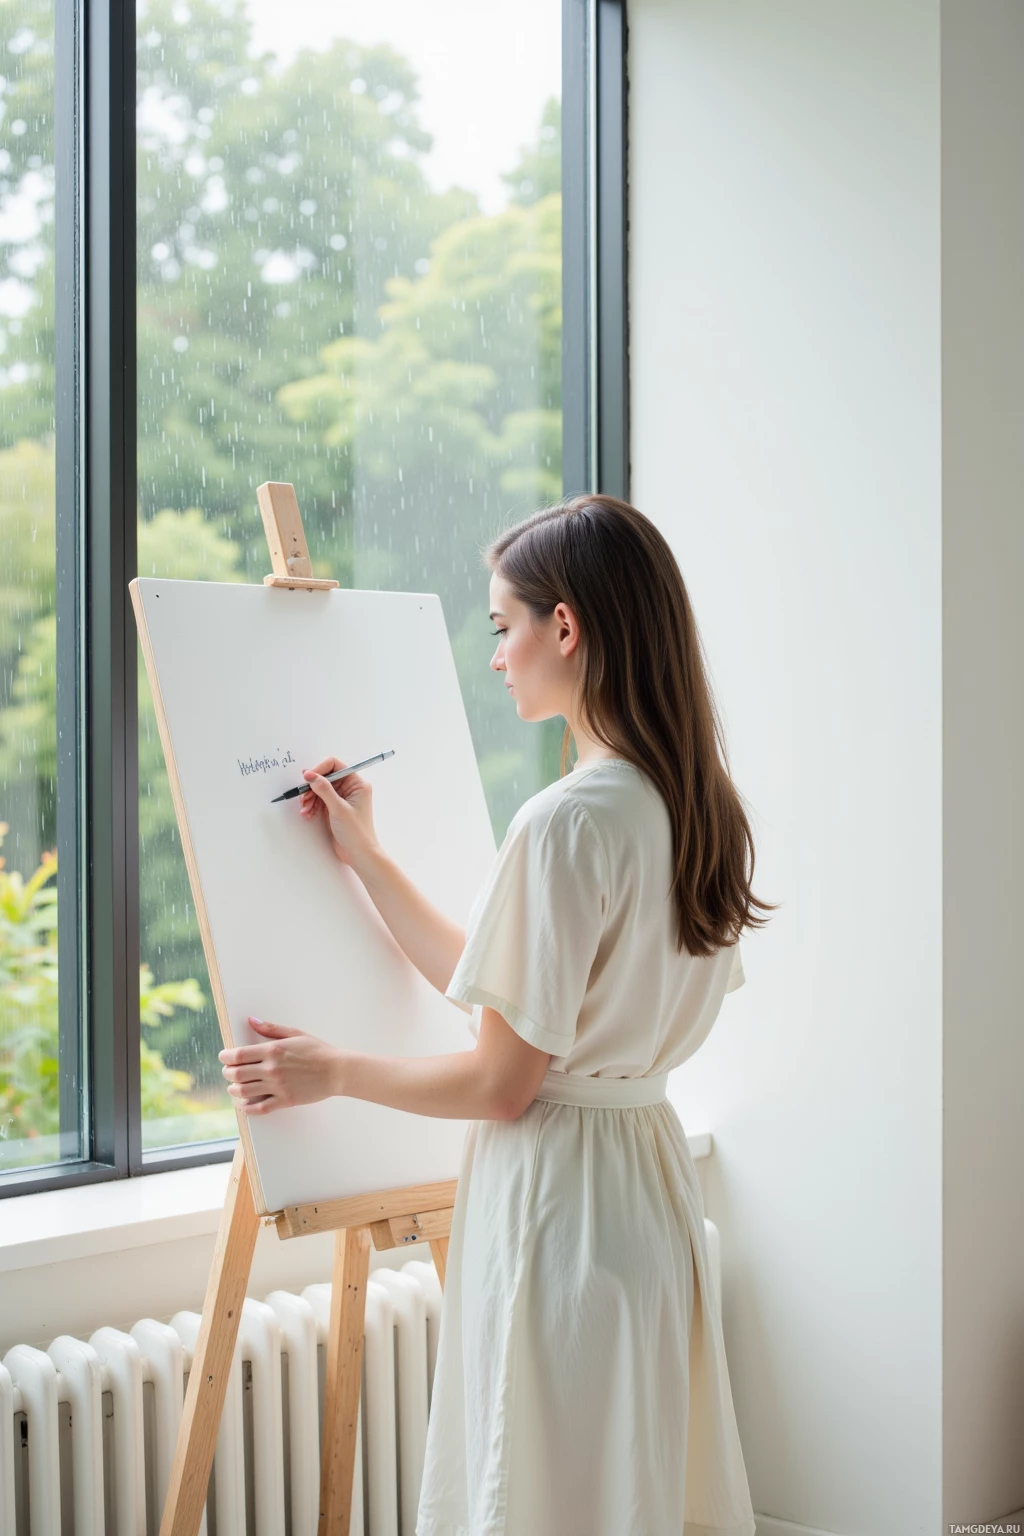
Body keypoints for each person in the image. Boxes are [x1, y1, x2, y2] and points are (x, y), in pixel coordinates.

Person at [218, 494, 776, 1536]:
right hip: (643, 1195)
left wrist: (332, 1071)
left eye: (501, 628)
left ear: (564, 627)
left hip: (558, 1208)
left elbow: (504, 1082)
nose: (496, 657)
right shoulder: (692, 804)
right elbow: (512, 992)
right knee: (631, 1495)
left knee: (535, 1497)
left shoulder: (565, 823)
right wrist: (368, 858)